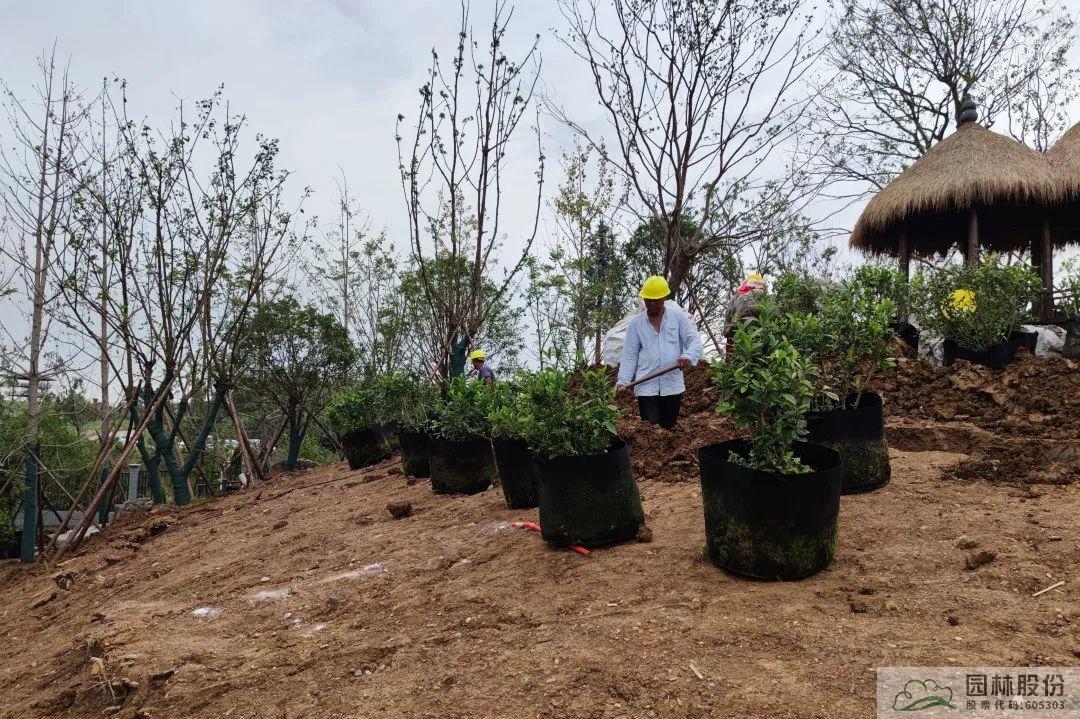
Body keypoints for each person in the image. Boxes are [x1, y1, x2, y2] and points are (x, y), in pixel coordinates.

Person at [615, 276, 703, 429]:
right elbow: (630, 355)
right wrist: (623, 380)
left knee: (668, 428)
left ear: (664, 299)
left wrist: (687, 355)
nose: (652, 304)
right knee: (652, 429)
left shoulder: (678, 318)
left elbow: (694, 340)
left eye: (656, 301)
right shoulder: (636, 324)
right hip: (646, 386)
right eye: (648, 300)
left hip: (672, 385)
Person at [724, 273, 768, 356]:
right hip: (762, 340)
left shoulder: (736, 298)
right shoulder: (767, 298)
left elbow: (729, 328)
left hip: (739, 337)